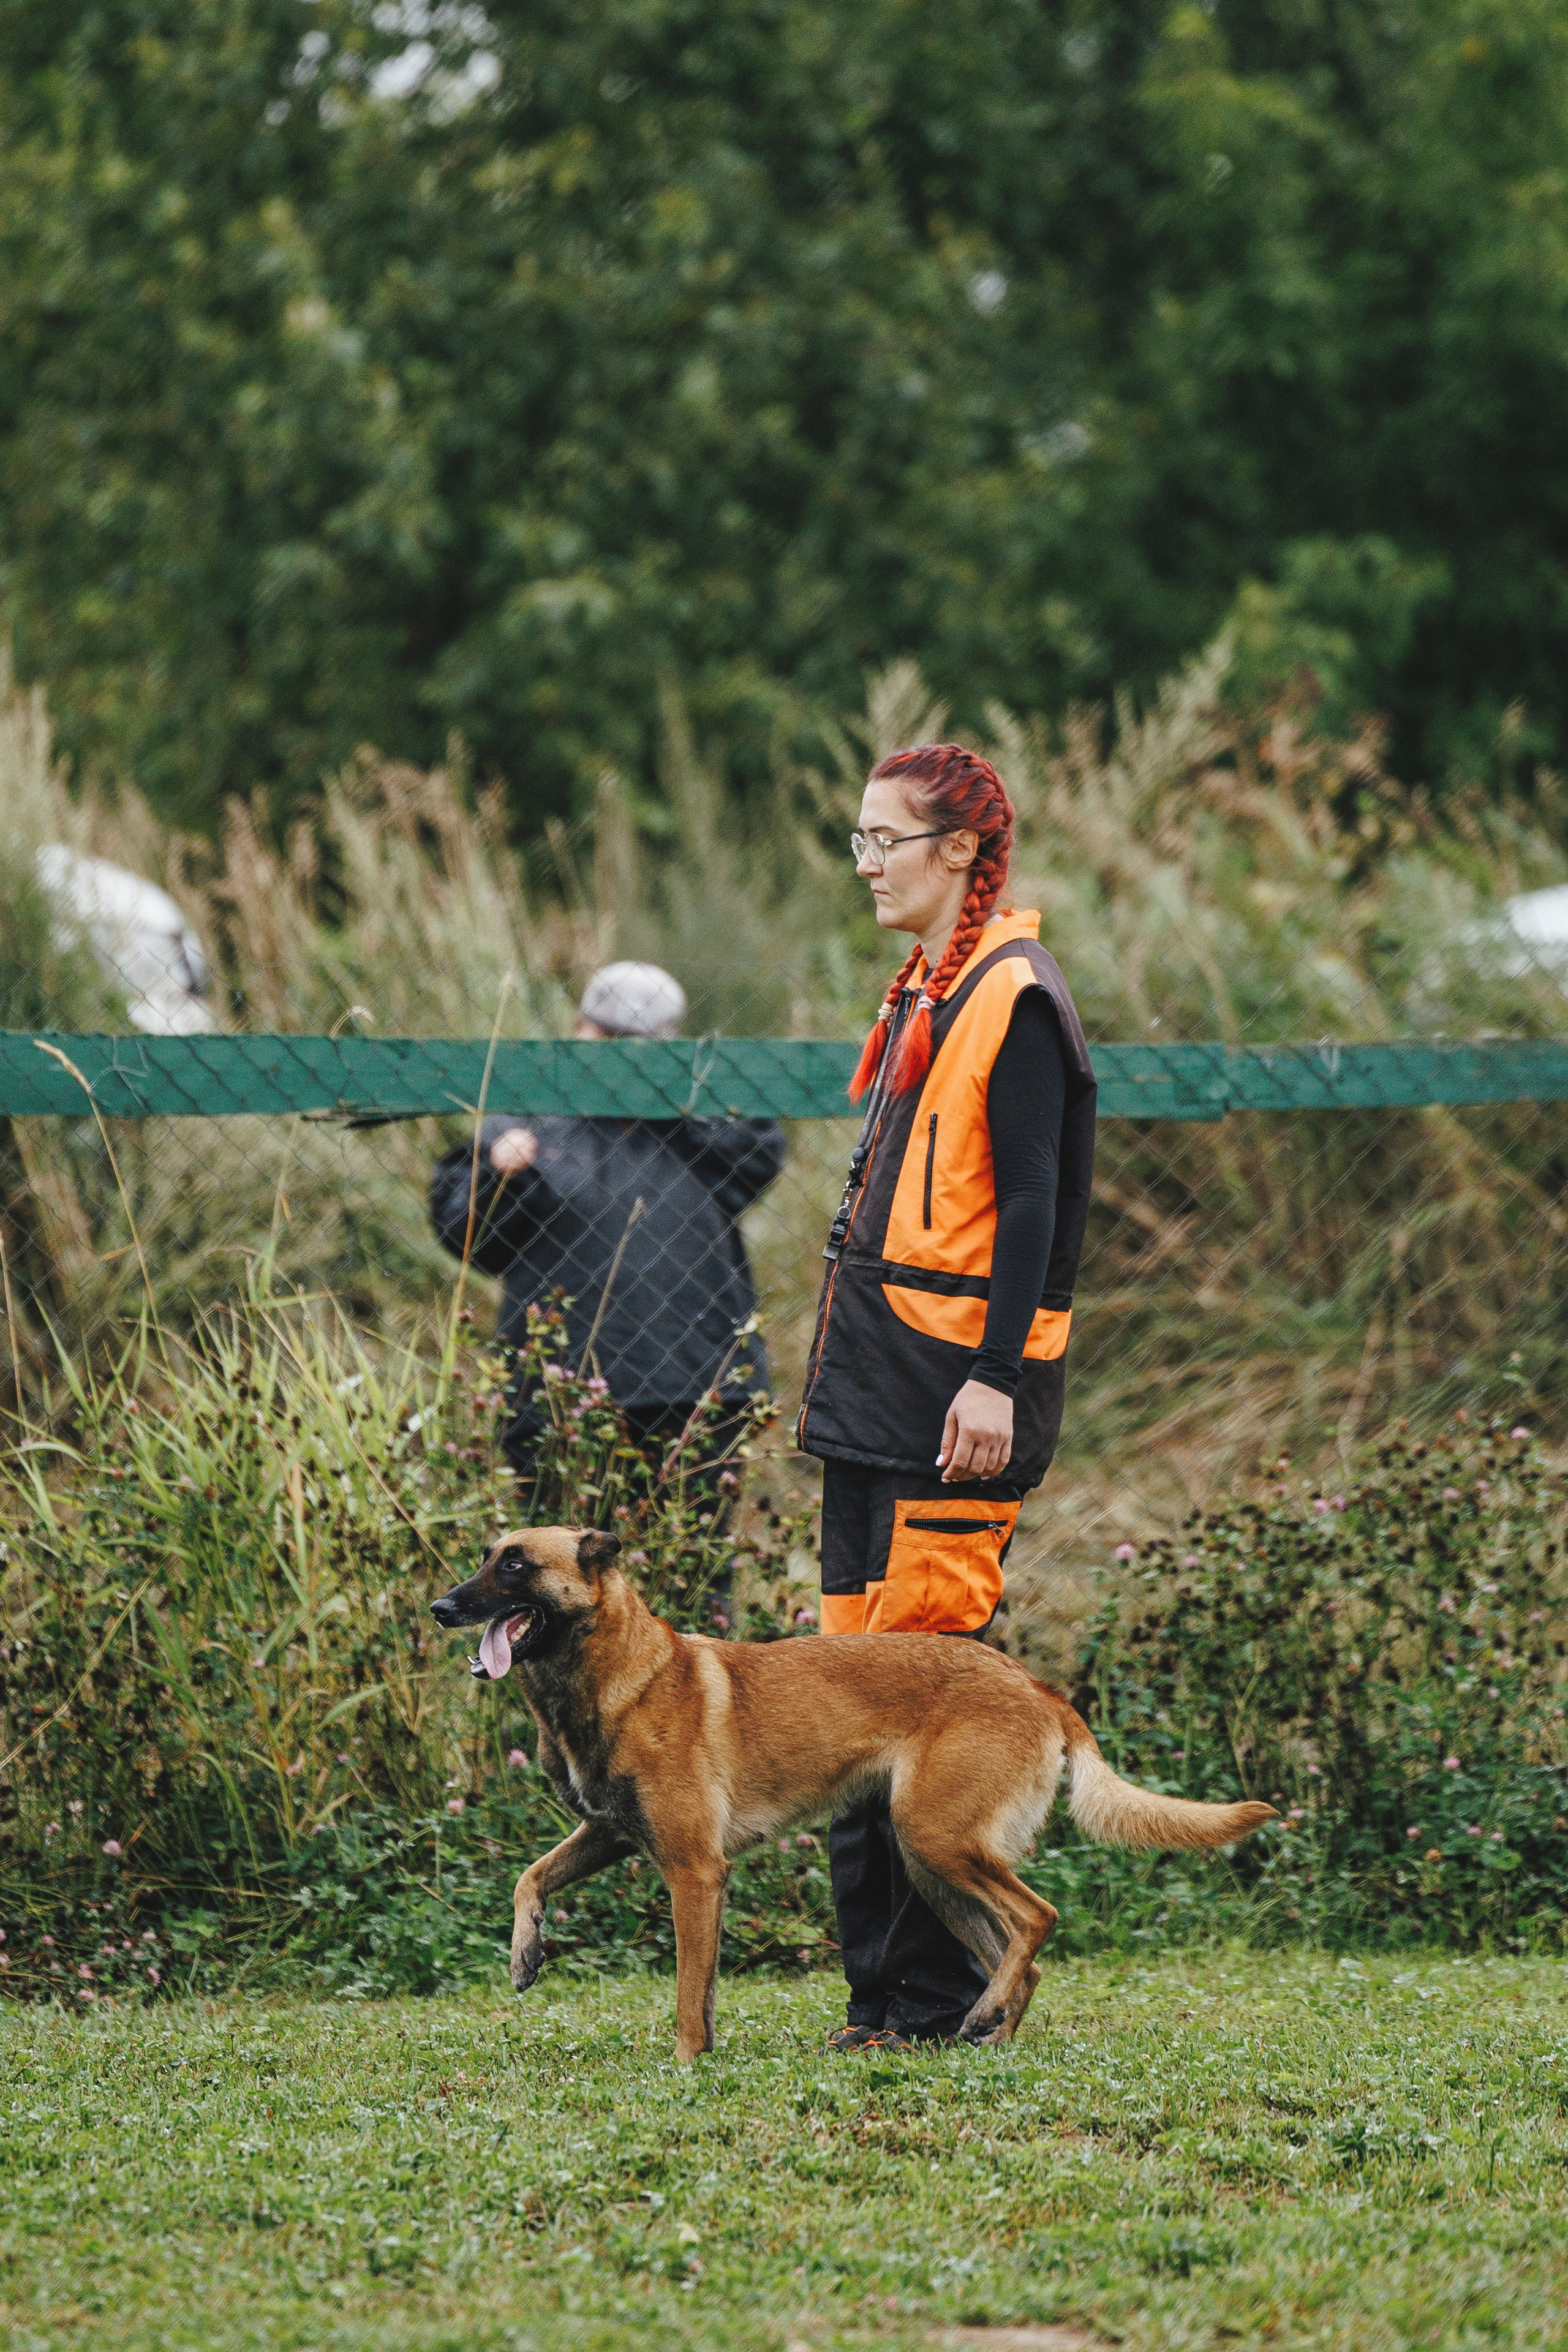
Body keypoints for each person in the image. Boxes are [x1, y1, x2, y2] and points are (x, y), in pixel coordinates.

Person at [796, 744, 1097, 2052]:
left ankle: (928, 2006)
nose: (866, 865)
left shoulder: (1013, 995)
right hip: (875, 1391)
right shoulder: (928, 985)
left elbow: (1034, 1204)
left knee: (918, 1706)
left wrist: (992, 1377)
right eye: (857, 841)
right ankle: (880, 2005)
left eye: (885, 841)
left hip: (952, 1401)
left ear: (960, 852)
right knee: (844, 1703)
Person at [429, 961, 785, 1510]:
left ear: (668, 1046)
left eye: (638, 1044)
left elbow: (758, 1155)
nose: (622, 1055)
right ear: (579, 1029)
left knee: (692, 1566)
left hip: (694, 1380)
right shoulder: (530, 1115)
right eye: (609, 1038)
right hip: (557, 1389)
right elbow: (468, 1238)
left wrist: (678, 1097)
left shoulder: (706, 1119)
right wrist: (500, 1176)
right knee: (559, 1571)